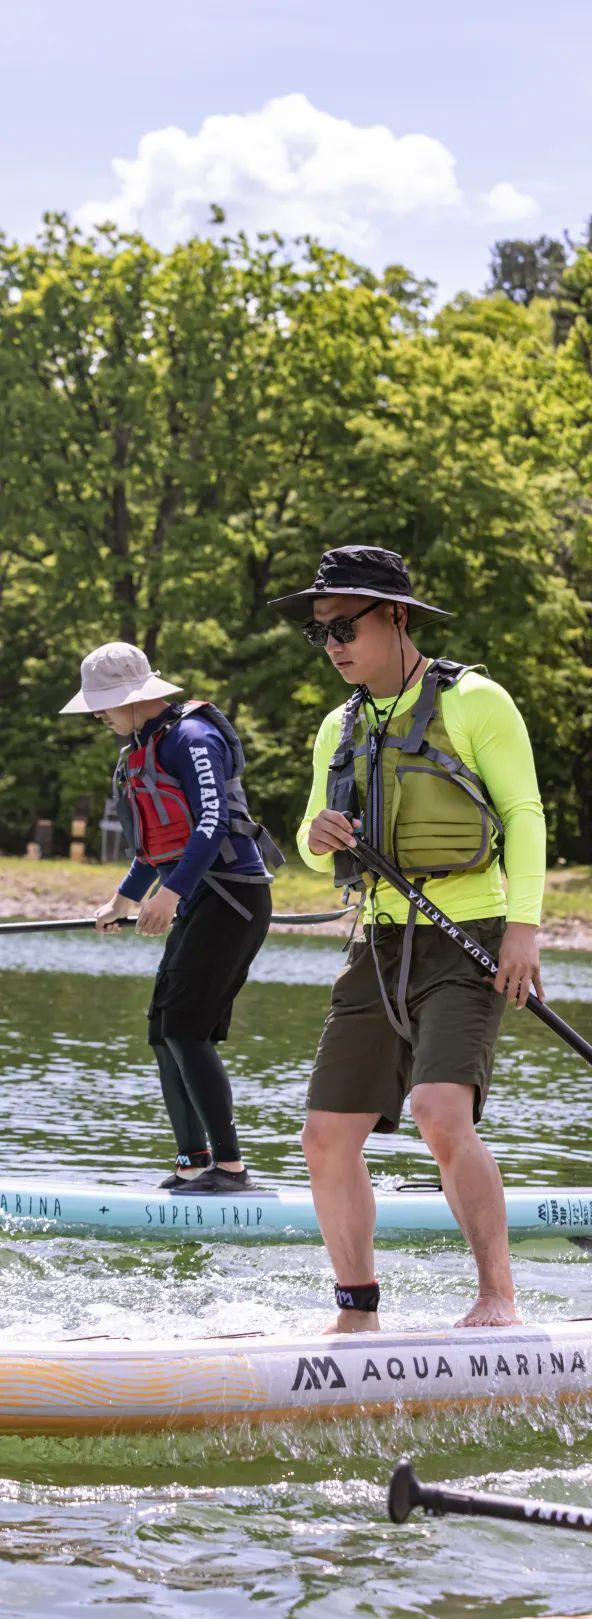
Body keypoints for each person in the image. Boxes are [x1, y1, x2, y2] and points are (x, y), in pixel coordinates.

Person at [270, 545, 546, 1331]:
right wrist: (318, 833)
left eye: (345, 627)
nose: (333, 646)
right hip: (378, 943)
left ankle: (498, 1295)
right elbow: (307, 830)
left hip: (471, 937)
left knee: (436, 1110)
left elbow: (524, 814)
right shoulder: (339, 725)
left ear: (396, 618)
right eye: (321, 633)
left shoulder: (477, 703)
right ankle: (357, 1308)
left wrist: (524, 928)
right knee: (325, 1136)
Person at [61, 642, 282, 1192]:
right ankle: (194, 1162)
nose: (98, 714)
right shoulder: (139, 748)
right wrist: (124, 901)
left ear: (136, 698)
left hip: (231, 895)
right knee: (165, 1031)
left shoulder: (192, 737)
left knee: (187, 1027)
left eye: (104, 704)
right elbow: (152, 846)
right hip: (197, 897)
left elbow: (210, 823)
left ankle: (230, 1170)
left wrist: (172, 893)